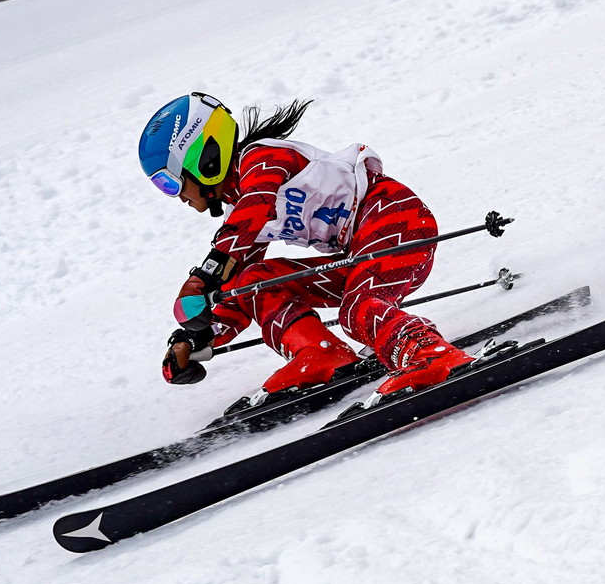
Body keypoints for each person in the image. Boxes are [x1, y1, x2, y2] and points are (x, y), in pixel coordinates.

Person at [139, 92, 473, 402]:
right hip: (358, 253)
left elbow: (256, 204)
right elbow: (237, 286)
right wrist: (199, 335)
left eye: (169, 182)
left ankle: (428, 353)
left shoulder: (261, 160)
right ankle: (321, 352)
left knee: (357, 311)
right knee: (254, 280)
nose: (177, 196)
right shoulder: (240, 215)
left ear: (205, 158)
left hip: (397, 221)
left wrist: (204, 275)